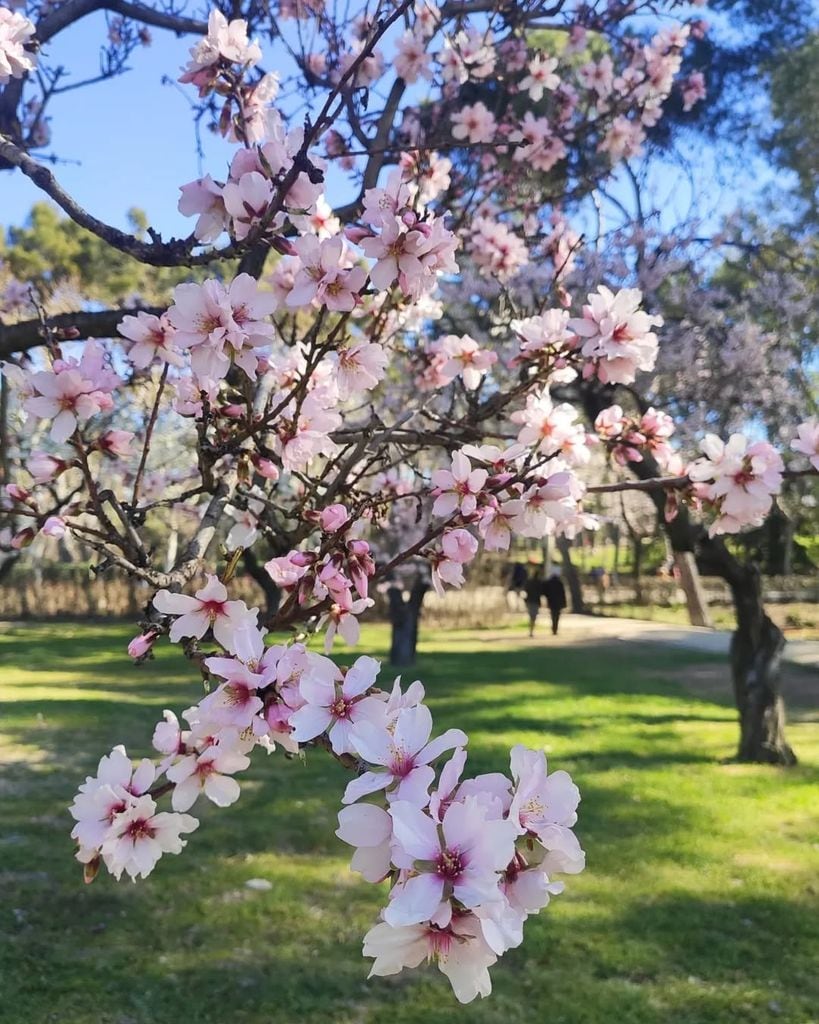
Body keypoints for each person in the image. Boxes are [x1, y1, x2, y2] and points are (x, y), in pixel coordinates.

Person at [542, 571, 567, 636]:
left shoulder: (549, 583)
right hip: (558, 602)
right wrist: (564, 603)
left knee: (553, 615)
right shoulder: (559, 583)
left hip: (551, 602)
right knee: (557, 616)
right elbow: (563, 594)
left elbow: (545, 592)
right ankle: (555, 628)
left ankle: (554, 628)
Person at [523, 567, 543, 637]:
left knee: (531, 615)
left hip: (530, 600)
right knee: (533, 616)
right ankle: (531, 630)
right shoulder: (539, 583)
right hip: (535, 601)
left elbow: (525, 590)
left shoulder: (529, 582)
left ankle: (531, 630)